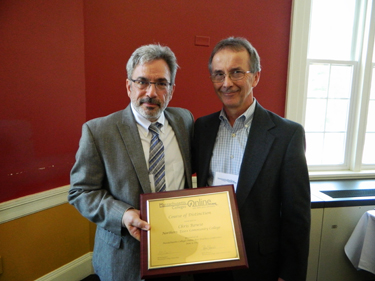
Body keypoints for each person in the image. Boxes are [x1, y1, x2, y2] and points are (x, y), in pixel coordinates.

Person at [69, 44, 194, 281]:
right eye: (142, 82)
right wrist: (123, 214)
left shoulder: (184, 120)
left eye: (161, 83)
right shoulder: (99, 131)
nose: (151, 93)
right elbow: (81, 191)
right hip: (124, 261)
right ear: (129, 86)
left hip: (178, 252)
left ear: (172, 89)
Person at [193, 37, 311, 281]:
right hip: (209, 261)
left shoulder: (287, 135)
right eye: (218, 74)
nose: (226, 83)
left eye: (236, 72)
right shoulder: (201, 129)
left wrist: (289, 275)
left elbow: (296, 216)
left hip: (260, 266)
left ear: (255, 76)